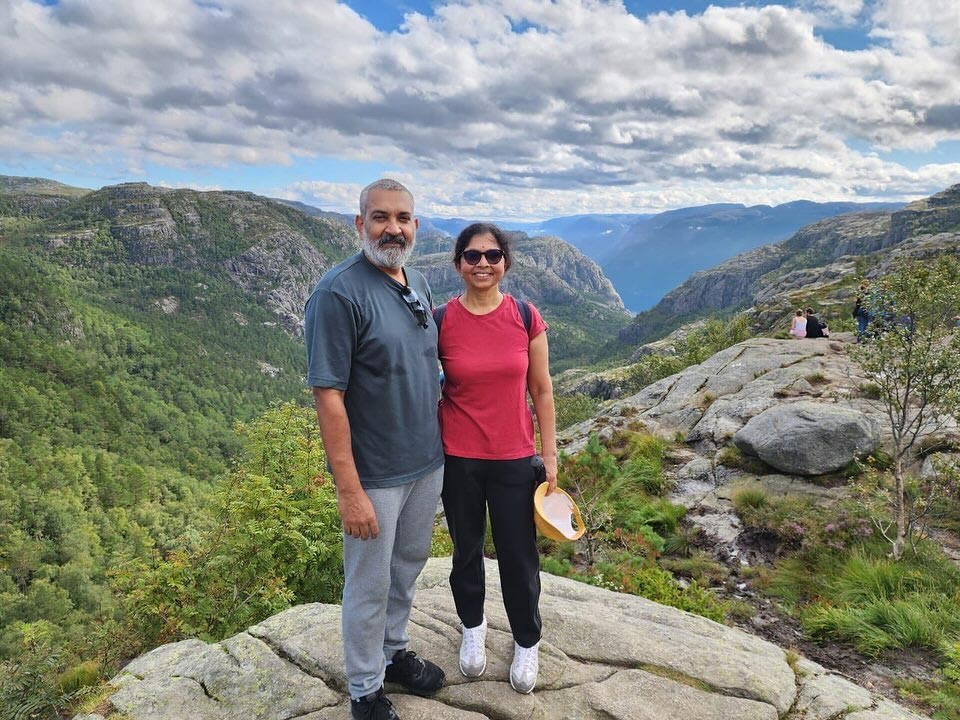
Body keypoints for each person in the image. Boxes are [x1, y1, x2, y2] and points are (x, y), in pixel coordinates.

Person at [304, 179, 445, 720]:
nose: (394, 228)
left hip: (426, 463)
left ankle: (392, 653)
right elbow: (329, 398)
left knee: (407, 565)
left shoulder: (418, 280)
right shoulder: (338, 293)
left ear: (415, 224)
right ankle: (364, 689)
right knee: (367, 580)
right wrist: (349, 491)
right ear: (358, 223)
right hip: (376, 475)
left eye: (404, 217)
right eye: (381, 217)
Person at [435, 222, 558, 695]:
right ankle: (473, 628)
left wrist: (549, 455)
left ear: (504, 262)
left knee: (518, 556)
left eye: (491, 255)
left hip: (513, 458)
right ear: (458, 263)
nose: (482, 263)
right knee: (466, 551)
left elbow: (542, 389)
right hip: (458, 458)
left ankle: (527, 640)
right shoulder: (442, 319)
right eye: (472, 255)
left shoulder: (525, 316)